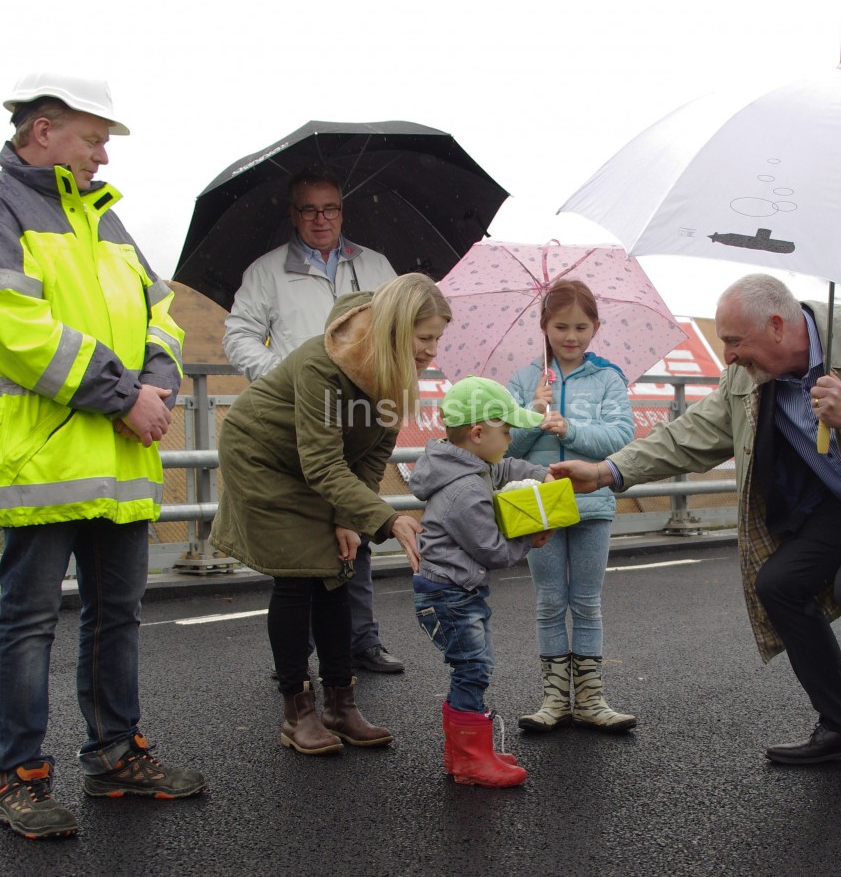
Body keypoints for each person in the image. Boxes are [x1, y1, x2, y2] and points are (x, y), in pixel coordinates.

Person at [552, 274, 841, 786]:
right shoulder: (751, 374)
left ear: (776, 325)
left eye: (733, 341)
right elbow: (692, 435)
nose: (727, 356)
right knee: (779, 584)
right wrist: (606, 472)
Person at [0, 73, 205, 840]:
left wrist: (154, 382)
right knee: (28, 622)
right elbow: (12, 328)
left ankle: (116, 756)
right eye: (94, 139)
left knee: (116, 616)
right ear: (43, 129)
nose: (102, 157)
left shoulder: (107, 222)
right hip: (46, 456)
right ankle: (20, 778)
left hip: (118, 459)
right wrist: (126, 396)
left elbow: (162, 314)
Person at [211, 274, 449, 756]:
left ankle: (342, 705)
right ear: (397, 329)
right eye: (424, 338)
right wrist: (387, 518)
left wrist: (350, 518)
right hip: (266, 458)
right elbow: (321, 462)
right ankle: (297, 712)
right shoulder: (324, 362)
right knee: (300, 574)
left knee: (339, 570)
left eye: (437, 339)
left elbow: (371, 455)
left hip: (323, 467)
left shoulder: (394, 367)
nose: (431, 351)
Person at [222, 165, 403, 674]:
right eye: (309, 209)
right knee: (303, 541)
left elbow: (397, 328)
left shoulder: (376, 266)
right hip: (298, 417)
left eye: (331, 208)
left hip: (357, 414)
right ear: (293, 213)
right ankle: (297, 659)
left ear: (343, 210)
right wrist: (282, 376)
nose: (321, 219)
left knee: (354, 524)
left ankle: (359, 642)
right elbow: (238, 334)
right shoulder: (266, 272)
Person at [505, 279, 637, 733]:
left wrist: (570, 429)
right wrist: (529, 413)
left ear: (596, 326)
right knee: (548, 601)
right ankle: (554, 699)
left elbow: (622, 438)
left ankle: (592, 700)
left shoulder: (608, 377)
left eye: (581, 326)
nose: (571, 336)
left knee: (586, 601)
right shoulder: (525, 379)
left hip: (592, 501)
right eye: (561, 326)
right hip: (536, 500)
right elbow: (504, 447)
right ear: (544, 326)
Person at [409, 376, 552, 787]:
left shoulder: (471, 466)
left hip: (452, 590)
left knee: (472, 666)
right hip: (450, 595)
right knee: (472, 668)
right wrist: (530, 539)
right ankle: (471, 758)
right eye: (506, 431)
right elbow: (491, 550)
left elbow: (507, 466)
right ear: (477, 433)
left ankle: (466, 752)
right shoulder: (466, 491)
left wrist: (543, 472)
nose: (510, 439)